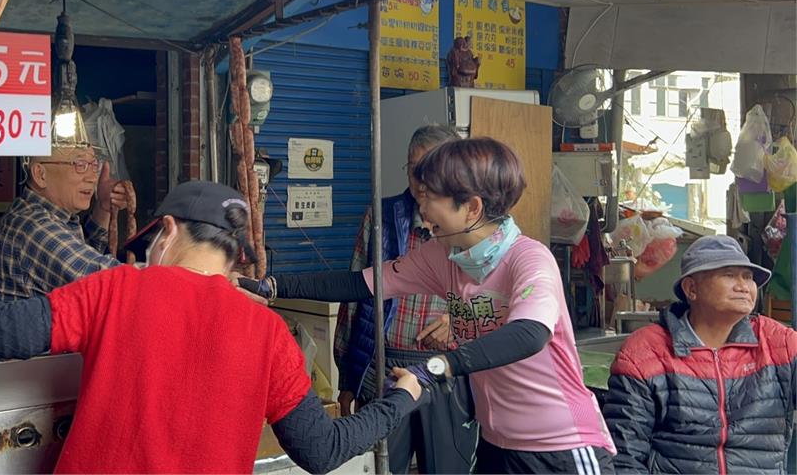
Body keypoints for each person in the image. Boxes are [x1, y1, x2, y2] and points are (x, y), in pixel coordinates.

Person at [0, 181, 425, 474]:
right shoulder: (270, 334)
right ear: (235, 257)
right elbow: (322, 451)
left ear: (165, 233)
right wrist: (402, 396)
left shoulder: (118, 288)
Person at [249, 137, 616, 474]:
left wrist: (436, 368)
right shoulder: (444, 256)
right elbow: (361, 283)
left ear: (471, 207)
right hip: (497, 442)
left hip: (561, 444)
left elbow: (530, 334)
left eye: (429, 198)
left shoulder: (529, 260)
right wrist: (274, 286)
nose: (421, 210)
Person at [334, 124, 474, 474]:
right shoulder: (382, 217)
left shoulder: (472, 223)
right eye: (414, 168)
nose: (421, 179)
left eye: (431, 167)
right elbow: (354, 295)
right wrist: (347, 380)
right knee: (381, 468)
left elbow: (499, 300)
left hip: (446, 371)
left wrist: (457, 320)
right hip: (384, 369)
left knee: (445, 468)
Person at [604, 235, 797, 474]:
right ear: (691, 288)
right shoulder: (645, 353)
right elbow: (625, 456)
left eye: (747, 277)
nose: (743, 286)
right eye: (729, 275)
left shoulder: (779, 343)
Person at [0, 146, 129, 301]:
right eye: (79, 165)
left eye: (94, 165)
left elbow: (85, 251)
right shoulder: (34, 226)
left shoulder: (45, 214)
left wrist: (104, 206)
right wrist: (157, 255)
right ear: (40, 175)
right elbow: (110, 281)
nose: (92, 178)